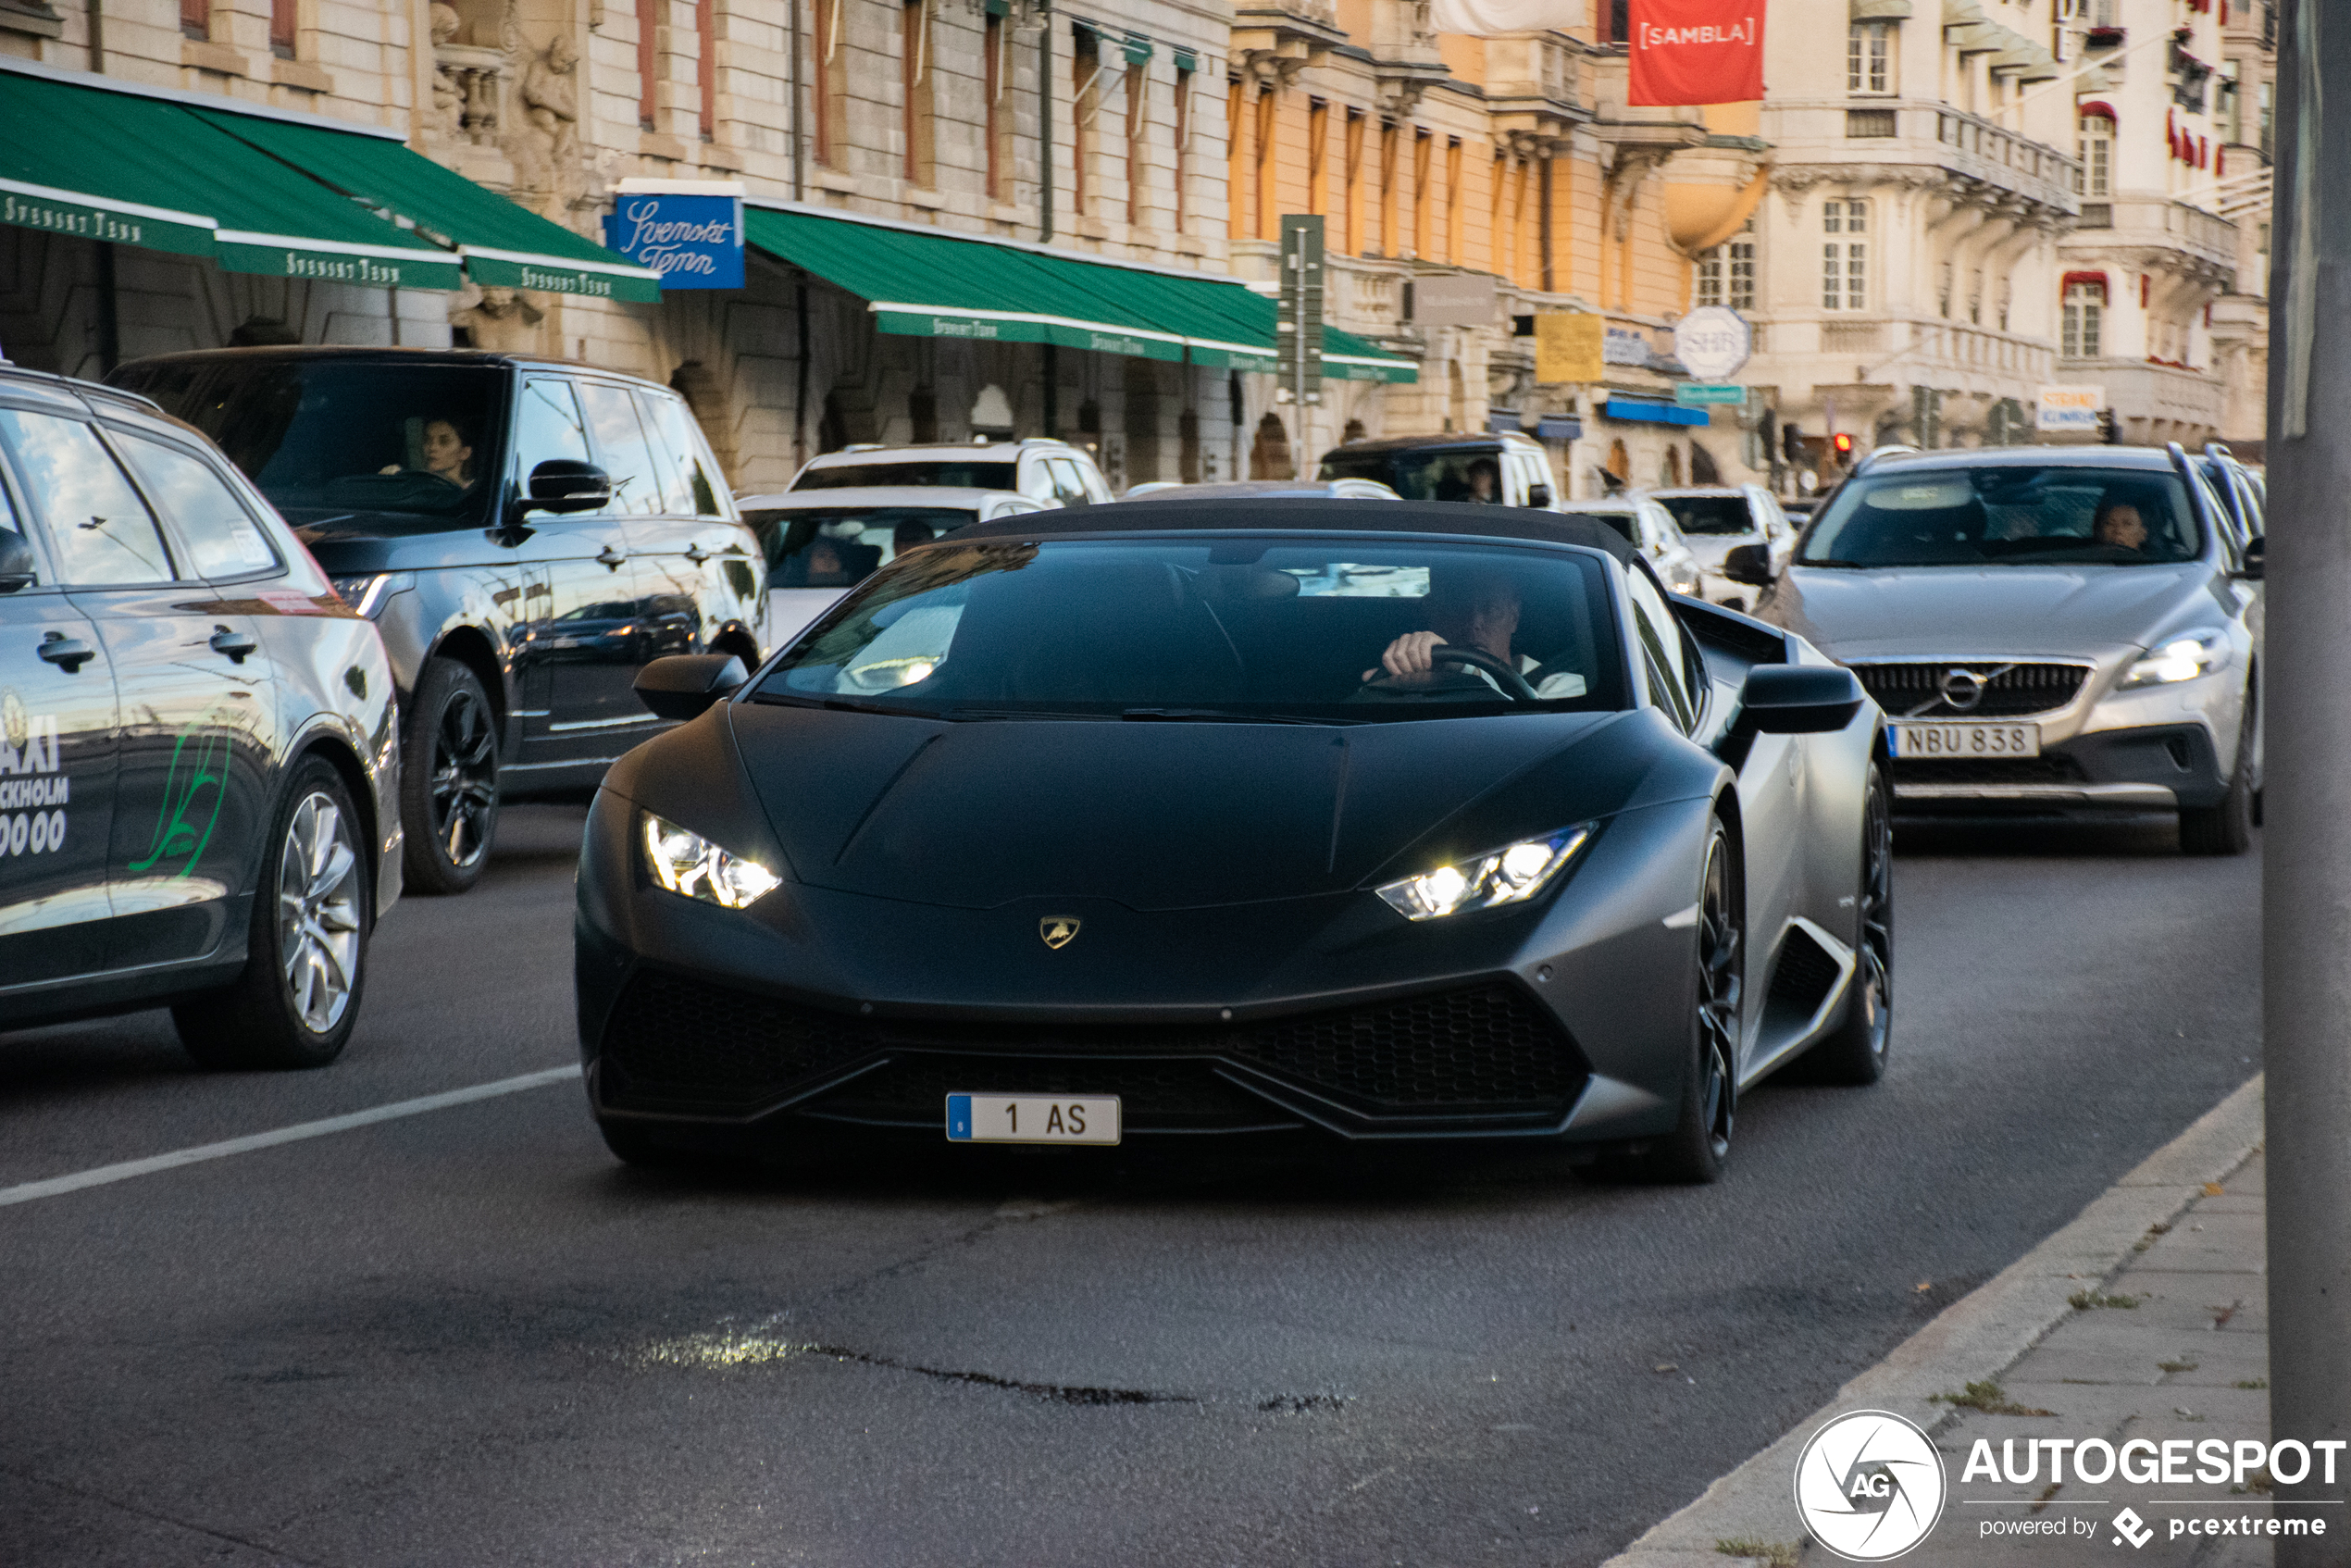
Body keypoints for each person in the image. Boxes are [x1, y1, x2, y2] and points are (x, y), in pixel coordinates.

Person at [1363, 568, 1586, 699]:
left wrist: (1461, 667)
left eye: (1492, 610)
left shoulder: (1562, 686)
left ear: (1514, 618)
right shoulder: (1405, 685)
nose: (1474, 623)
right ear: (1432, 613)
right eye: (1458, 607)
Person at [381, 417, 476, 491]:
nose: (432, 447)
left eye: (444, 441)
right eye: (428, 440)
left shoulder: (471, 493)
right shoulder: (413, 482)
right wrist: (390, 481)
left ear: (464, 453)